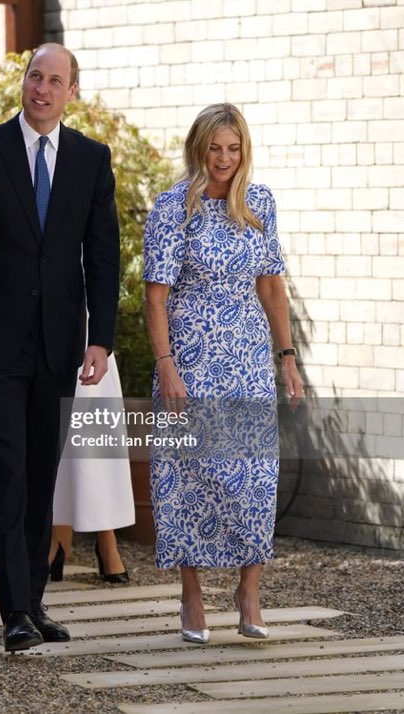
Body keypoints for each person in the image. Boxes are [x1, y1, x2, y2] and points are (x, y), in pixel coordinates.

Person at [0, 43, 120, 653]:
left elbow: (103, 256)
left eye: (54, 80)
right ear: (24, 83)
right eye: (34, 76)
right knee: (9, 470)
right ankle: (13, 610)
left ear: (71, 93)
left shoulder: (92, 161)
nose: (41, 88)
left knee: (43, 474)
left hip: (60, 345)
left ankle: (33, 601)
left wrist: (100, 339)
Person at [143, 103, 303, 644]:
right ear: (199, 148)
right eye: (215, 148)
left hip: (247, 363)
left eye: (234, 149)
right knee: (187, 476)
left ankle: (248, 592)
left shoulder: (258, 203)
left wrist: (287, 358)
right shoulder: (171, 208)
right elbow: (155, 298)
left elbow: (271, 287)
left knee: (253, 480)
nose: (224, 159)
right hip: (188, 360)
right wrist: (165, 364)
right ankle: (191, 597)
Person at [49, 352, 134, 584]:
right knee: (51, 431)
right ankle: (55, 539)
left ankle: (106, 539)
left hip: (90, 334)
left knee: (94, 436)